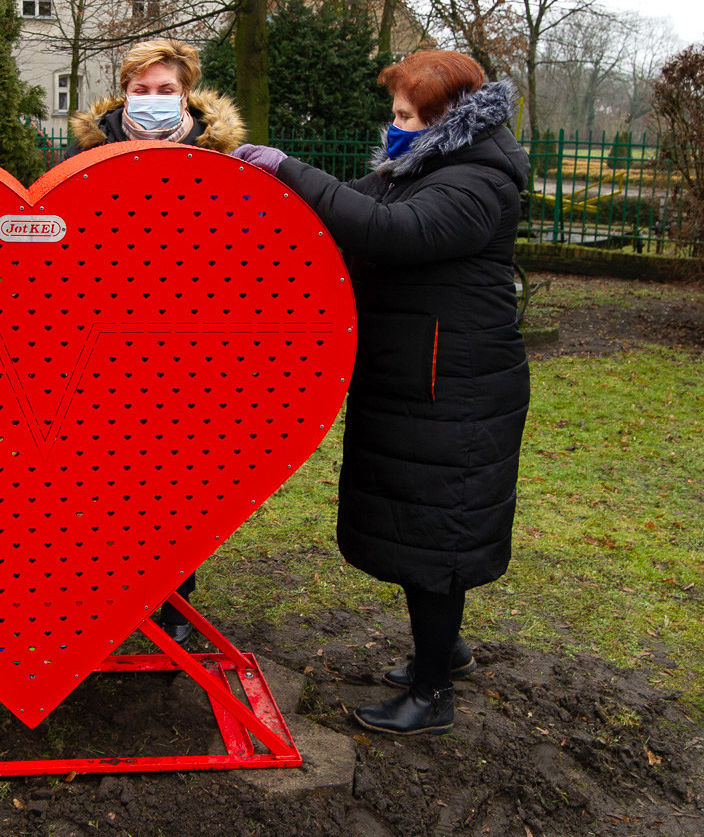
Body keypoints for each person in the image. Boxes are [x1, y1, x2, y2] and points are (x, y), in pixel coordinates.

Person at [233, 51, 530, 736]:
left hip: (456, 388)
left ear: (444, 117)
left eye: (404, 115)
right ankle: (443, 648)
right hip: (418, 380)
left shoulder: (479, 181)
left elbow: (391, 231)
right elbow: (355, 204)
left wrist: (288, 169)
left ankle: (431, 694)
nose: (393, 126)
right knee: (419, 524)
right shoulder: (423, 165)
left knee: (439, 532)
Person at [64, 38, 248, 644]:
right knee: (99, 475)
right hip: (97, 341)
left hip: (192, 341)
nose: (152, 100)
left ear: (187, 93)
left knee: (179, 476)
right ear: (124, 90)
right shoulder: (88, 152)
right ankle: (101, 597)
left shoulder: (224, 157)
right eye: (141, 90)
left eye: (165, 90)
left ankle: (174, 600)